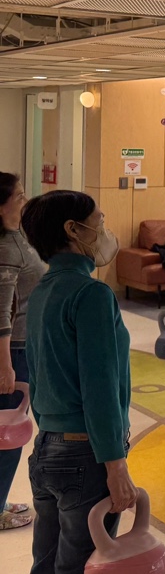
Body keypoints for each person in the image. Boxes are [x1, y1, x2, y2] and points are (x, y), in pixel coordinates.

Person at [19, 189, 136, 574]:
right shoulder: (91, 295)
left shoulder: (43, 291)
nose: (104, 230)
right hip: (86, 459)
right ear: (74, 230)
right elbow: (100, 387)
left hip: (46, 451)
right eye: (99, 221)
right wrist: (116, 466)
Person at [0, 172, 42, 531]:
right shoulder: (6, 248)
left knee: (9, 431)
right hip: (14, 350)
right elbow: (1, 313)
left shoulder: (19, 238)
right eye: (19, 196)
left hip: (24, 346)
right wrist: (5, 367)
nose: (24, 201)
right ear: (1, 207)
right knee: (8, 433)